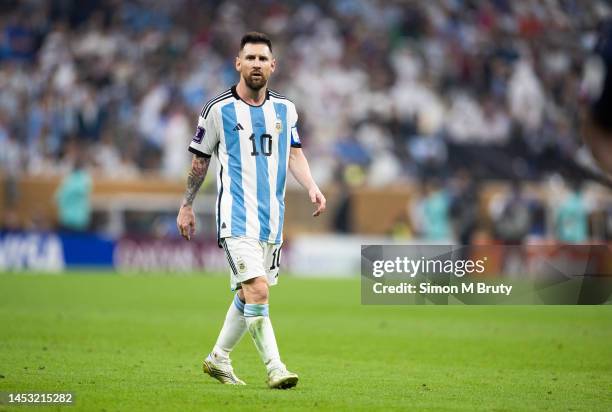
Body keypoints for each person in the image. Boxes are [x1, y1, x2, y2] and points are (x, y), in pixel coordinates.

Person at [176, 32, 326, 389]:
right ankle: (275, 367)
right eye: (250, 58)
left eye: (263, 59)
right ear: (238, 63)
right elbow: (200, 163)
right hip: (236, 218)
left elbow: (294, 154)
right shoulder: (218, 110)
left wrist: (312, 186)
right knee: (258, 290)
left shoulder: (285, 109)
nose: (256, 64)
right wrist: (186, 205)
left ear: (273, 66)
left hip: (272, 221)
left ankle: (218, 359)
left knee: (247, 295)